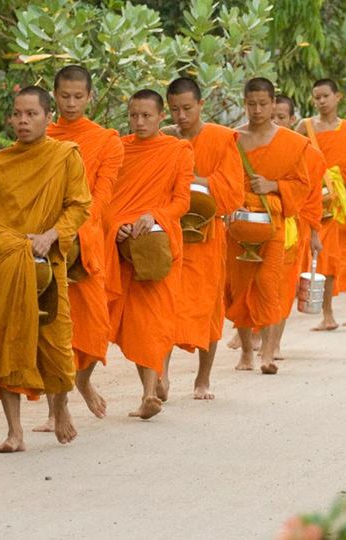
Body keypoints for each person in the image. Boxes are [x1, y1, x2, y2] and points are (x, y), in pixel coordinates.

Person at [0, 86, 91, 452]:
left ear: (48, 117)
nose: (23, 121)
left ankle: (60, 407)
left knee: (55, 343)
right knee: (8, 341)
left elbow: (79, 205)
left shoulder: (64, 155)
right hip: (10, 261)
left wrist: (50, 235)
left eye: (31, 114)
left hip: (49, 262)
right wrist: (13, 241)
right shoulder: (1, 162)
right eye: (17, 114)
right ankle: (14, 432)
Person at [34, 66, 123, 427]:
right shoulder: (41, 136)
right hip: (45, 241)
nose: (71, 103)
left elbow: (101, 196)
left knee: (92, 327)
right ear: (54, 96)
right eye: (64, 96)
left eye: (78, 96)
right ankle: (56, 409)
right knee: (51, 326)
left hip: (85, 243)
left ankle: (82, 382)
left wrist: (70, 229)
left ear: (90, 97)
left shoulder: (107, 140)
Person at [106, 89, 193, 419]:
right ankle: (151, 387)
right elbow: (106, 198)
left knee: (155, 318)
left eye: (146, 116)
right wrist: (116, 225)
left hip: (159, 244)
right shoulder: (119, 150)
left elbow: (181, 201)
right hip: (125, 246)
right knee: (137, 323)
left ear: (161, 117)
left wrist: (154, 215)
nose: (139, 122)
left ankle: (150, 390)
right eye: (133, 115)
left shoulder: (177, 150)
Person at [164, 77, 244, 400]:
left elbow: (233, 190)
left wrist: (193, 181)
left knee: (208, 306)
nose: (181, 116)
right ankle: (160, 376)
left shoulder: (221, 139)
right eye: (174, 110)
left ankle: (203, 378)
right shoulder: (164, 138)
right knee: (165, 305)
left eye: (187, 108)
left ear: (201, 105)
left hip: (208, 235)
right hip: (171, 234)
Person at [228, 77, 309, 374]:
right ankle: (246, 352)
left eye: (263, 104)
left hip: (273, 223)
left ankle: (267, 353)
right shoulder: (233, 138)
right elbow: (223, 178)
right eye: (251, 104)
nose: (257, 110)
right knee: (240, 287)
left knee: (268, 284)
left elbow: (303, 185)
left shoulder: (290, 142)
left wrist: (273, 185)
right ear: (244, 103)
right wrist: (232, 201)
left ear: (273, 103)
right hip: (239, 224)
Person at [297, 79, 346, 331]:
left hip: (336, 204)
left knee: (330, 258)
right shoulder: (304, 127)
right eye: (317, 97)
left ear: (338, 96)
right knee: (311, 255)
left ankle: (328, 313)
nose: (321, 101)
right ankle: (321, 311)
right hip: (310, 199)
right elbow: (294, 161)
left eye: (326, 96)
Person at [263, 94, 325, 361]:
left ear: (292, 120)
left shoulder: (308, 154)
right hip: (257, 225)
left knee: (283, 287)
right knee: (258, 285)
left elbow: (312, 199)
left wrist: (314, 234)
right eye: (272, 116)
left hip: (291, 227)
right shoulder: (252, 144)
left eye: (281, 117)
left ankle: (274, 342)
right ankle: (253, 336)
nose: (275, 121)